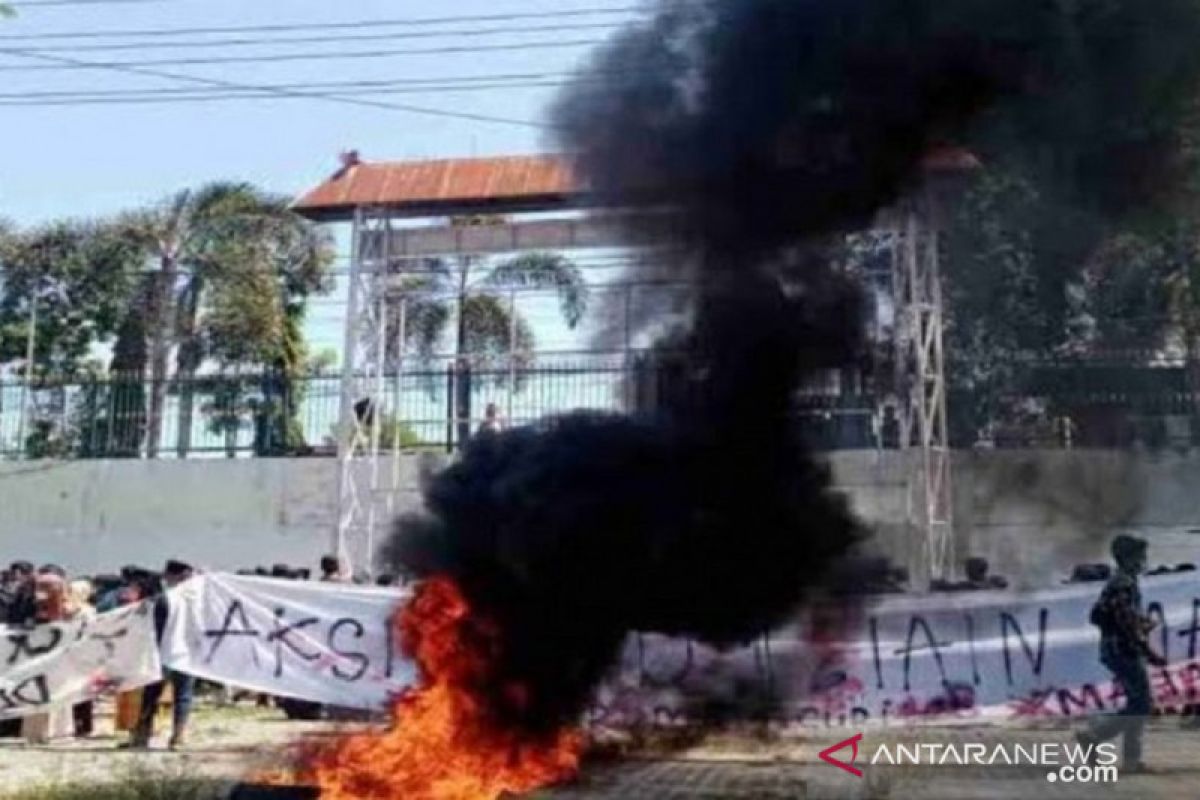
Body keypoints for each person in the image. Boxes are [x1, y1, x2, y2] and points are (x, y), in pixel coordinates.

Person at [1078, 535, 1166, 773]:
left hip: (1119, 649)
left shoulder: (1122, 582)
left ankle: (1129, 758)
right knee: (1141, 704)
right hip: (1122, 650)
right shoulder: (1123, 583)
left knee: (1137, 702)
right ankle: (1095, 737)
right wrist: (1149, 652)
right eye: (1139, 556)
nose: (1142, 561)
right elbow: (1125, 623)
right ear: (1128, 558)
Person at [126, 560, 196, 750]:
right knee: (183, 696)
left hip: (162, 652)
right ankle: (178, 737)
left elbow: (153, 628)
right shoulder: (196, 599)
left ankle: (141, 735)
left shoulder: (161, 599)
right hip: (187, 654)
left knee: (151, 695)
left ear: (169, 576)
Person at [22, 573, 74, 744]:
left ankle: (56, 732)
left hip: (58, 657)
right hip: (39, 657)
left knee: (58, 691)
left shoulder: (67, 608)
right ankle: (37, 733)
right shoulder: (32, 607)